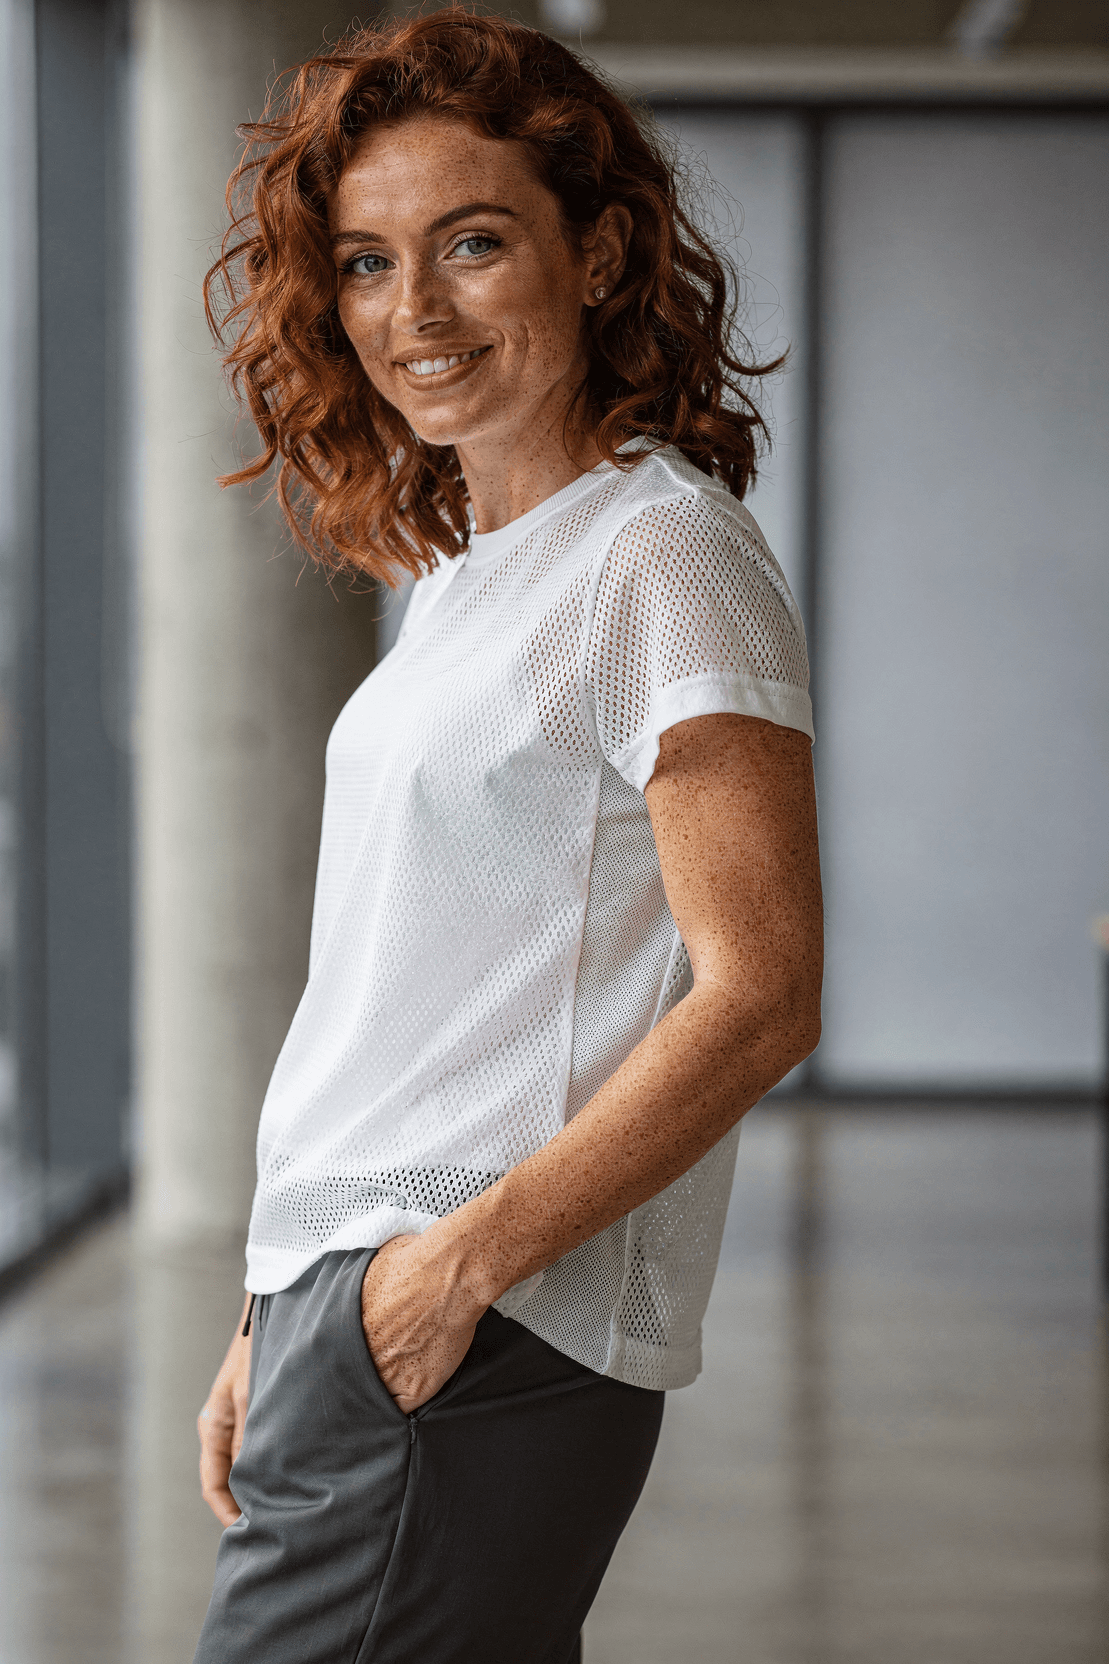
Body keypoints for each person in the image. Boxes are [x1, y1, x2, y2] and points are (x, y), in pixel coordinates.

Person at [192, 11, 822, 1662]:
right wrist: (283, 1302)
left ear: (600, 251)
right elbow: (410, 996)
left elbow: (761, 993)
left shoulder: (660, 554)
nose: (418, 311)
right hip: (367, 1301)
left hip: (476, 1311)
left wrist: (450, 1270)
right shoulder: (473, 576)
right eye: (369, 260)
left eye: (474, 243)